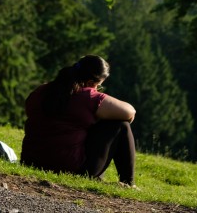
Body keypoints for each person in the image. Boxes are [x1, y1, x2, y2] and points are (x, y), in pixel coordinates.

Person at [20, 55, 137, 187]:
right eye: (98, 86)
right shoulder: (88, 97)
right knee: (121, 125)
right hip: (68, 169)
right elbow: (130, 113)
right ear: (90, 83)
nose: (97, 90)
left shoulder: (41, 90)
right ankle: (128, 183)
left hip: (30, 160)